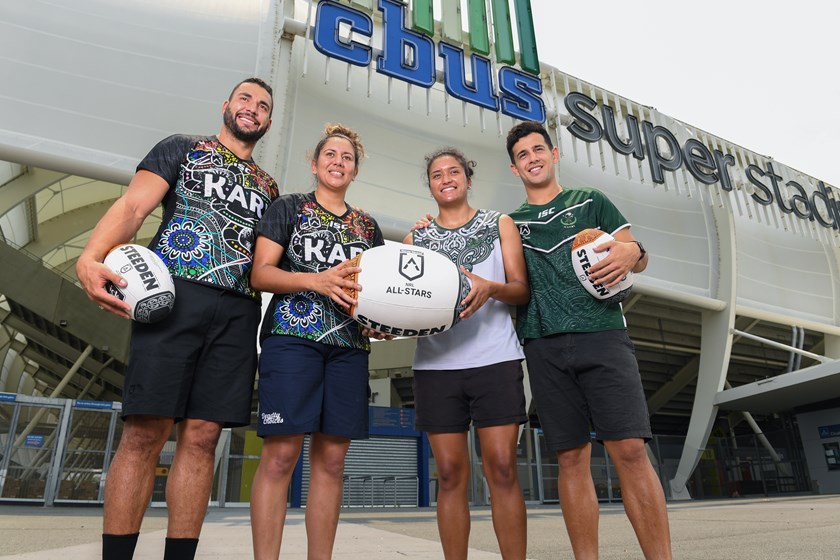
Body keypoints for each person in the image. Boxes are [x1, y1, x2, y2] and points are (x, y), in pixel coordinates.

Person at [76, 77, 277, 560]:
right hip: (172, 298)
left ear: (268, 121)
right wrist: (90, 256)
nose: (252, 109)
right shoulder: (183, 148)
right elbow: (133, 206)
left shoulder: (270, 188)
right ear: (226, 106)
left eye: (263, 106)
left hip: (238, 310)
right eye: (245, 99)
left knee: (204, 438)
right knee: (145, 431)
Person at [505, 121, 672, 559]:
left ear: (554, 154)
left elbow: (636, 253)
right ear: (514, 167)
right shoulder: (509, 224)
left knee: (631, 450)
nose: (533, 158)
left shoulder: (590, 201)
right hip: (542, 344)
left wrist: (633, 252)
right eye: (523, 154)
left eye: (539, 149)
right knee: (570, 458)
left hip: (602, 335)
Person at [249, 124, 384, 560]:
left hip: (349, 349)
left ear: (355, 170)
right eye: (331, 154)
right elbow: (261, 273)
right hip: (292, 339)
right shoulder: (288, 207)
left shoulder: (368, 226)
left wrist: (381, 322)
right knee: (281, 455)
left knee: (331, 462)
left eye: (347, 157)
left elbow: (378, 293)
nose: (338, 162)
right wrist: (317, 281)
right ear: (314, 162)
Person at [406, 148, 530, 560]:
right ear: (430, 185)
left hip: (495, 360)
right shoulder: (415, 239)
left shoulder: (500, 223)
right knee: (450, 474)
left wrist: (489, 286)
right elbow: (404, 306)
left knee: (502, 468)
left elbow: (520, 289)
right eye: (437, 174)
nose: (446, 178)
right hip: (436, 366)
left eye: (454, 171)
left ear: (467, 178)